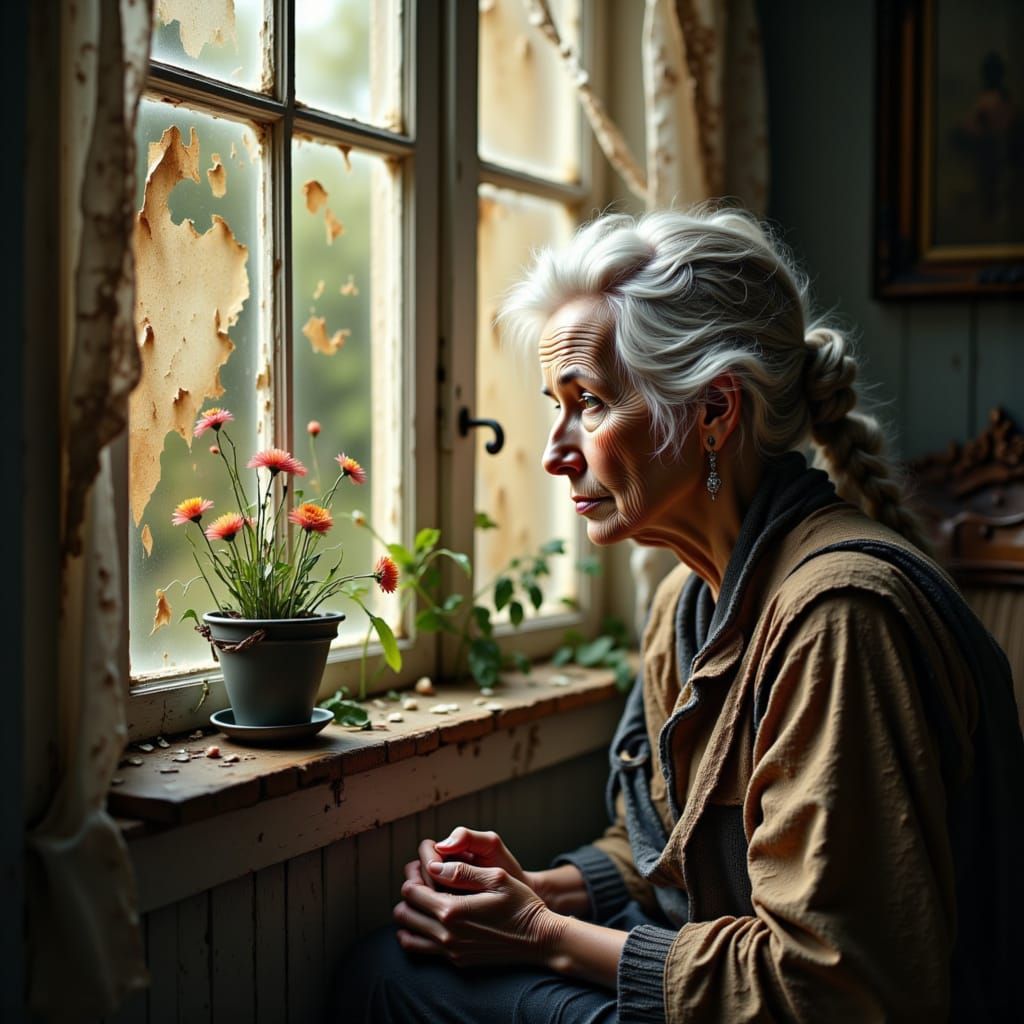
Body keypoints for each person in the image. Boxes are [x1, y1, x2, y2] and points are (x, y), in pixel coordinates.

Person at [334, 206, 1023, 1021]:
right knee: (392, 958)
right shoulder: (689, 600)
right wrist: (541, 891)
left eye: (590, 403)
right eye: (557, 405)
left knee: (386, 980)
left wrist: (542, 934)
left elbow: (832, 987)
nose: (555, 453)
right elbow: (671, 847)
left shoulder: (839, 620)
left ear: (715, 411)